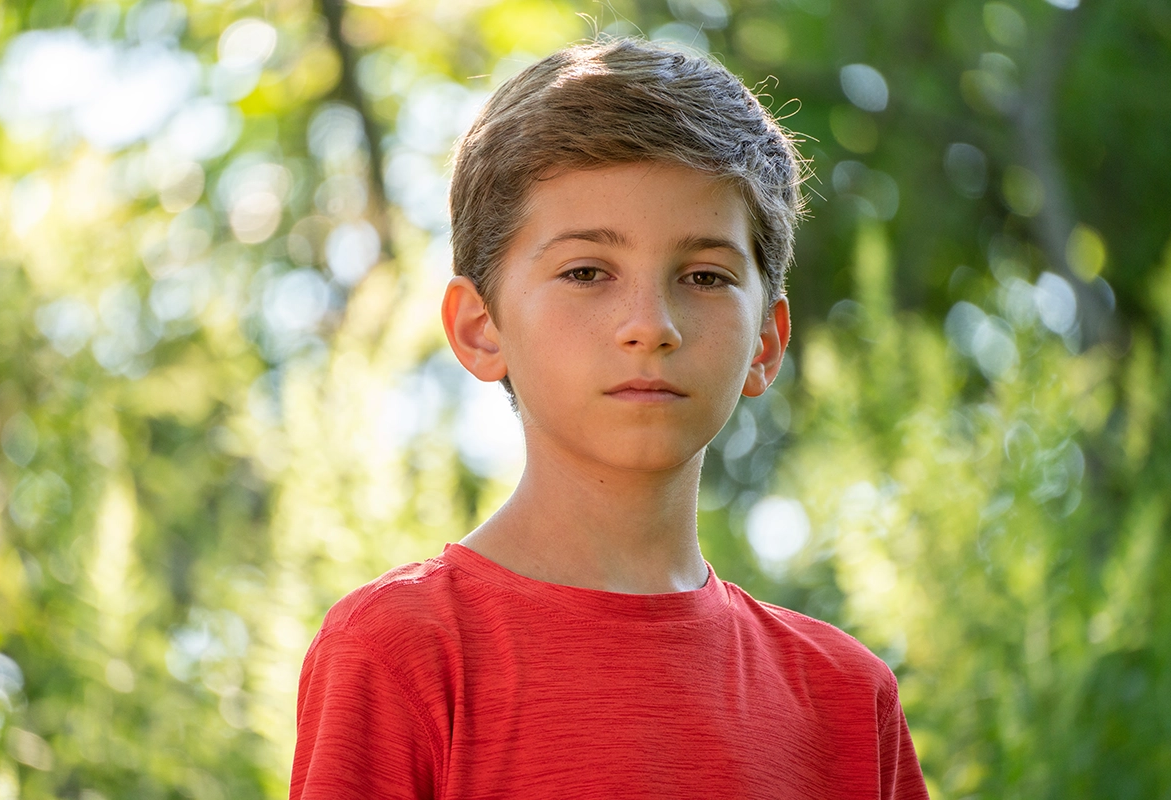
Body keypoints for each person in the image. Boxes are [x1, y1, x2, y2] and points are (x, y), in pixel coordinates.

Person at [290, 37, 929, 799]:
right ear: (479, 328)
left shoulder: (847, 700)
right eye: (587, 272)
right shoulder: (401, 653)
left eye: (704, 276)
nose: (650, 324)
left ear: (766, 341)